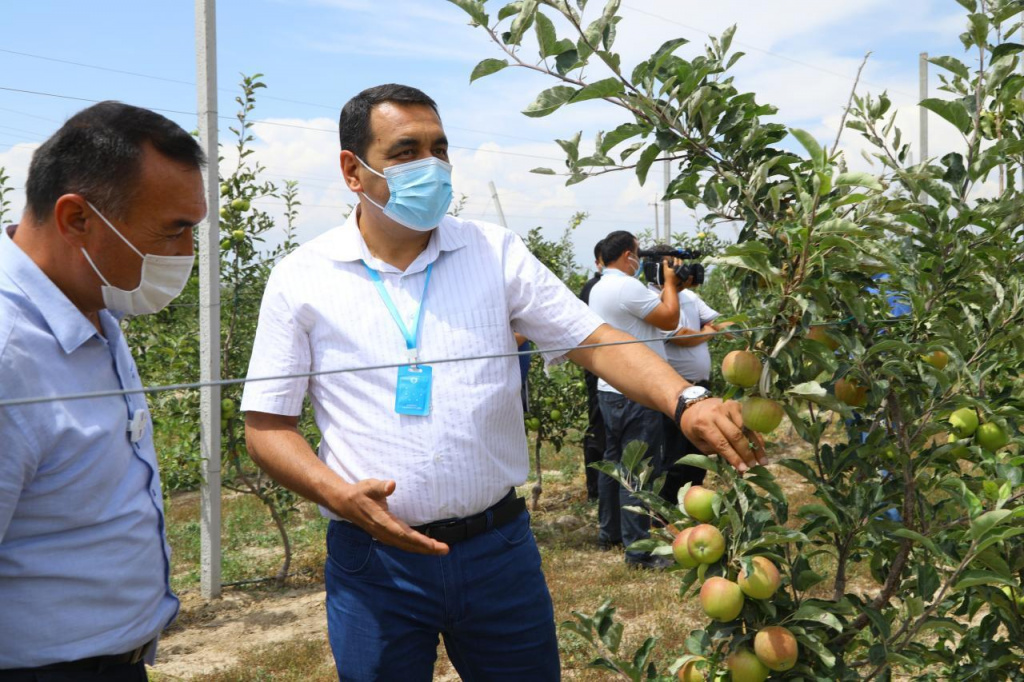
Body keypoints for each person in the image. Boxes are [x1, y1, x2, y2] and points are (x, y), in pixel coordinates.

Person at [241, 83, 765, 681]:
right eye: (406, 151)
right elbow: (267, 426)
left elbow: (592, 340)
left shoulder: (493, 252)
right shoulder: (302, 278)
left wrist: (685, 397)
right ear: (352, 171)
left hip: (498, 549)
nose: (430, 167)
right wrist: (335, 495)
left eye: (439, 149)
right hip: (375, 562)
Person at [0, 102, 206, 680]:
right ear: (76, 219)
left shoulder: (92, 308)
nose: (187, 253)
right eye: (174, 230)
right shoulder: (9, 351)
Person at [587, 231, 686, 567]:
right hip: (636, 391)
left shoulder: (600, 287)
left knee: (614, 466)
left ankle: (609, 533)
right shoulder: (628, 287)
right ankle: (640, 552)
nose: (640, 261)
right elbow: (670, 319)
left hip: (609, 389)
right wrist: (670, 281)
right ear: (628, 254)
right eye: (639, 255)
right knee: (639, 471)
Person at [647, 248, 730, 504]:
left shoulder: (691, 298)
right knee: (673, 457)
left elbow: (720, 322)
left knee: (698, 454)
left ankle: (692, 506)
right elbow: (681, 337)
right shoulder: (650, 299)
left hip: (701, 387)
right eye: (673, 269)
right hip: (674, 390)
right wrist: (708, 331)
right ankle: (667, 512)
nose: (681, 273)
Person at [578, 240, 605, 502]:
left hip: (600, 366)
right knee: (598, 428)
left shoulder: (596, 286)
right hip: (598, 368)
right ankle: (595, 489)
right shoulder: (593, 288)